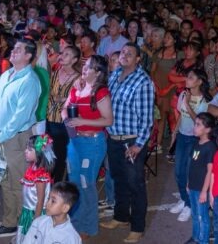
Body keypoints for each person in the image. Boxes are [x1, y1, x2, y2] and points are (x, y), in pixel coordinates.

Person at [0, 39, 41, 240]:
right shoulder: (7, 74)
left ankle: (23, 227)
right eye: (13, 48)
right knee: (4, 181)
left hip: (16, 138)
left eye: (19, 49)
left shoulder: (30, 81)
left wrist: (0, 136)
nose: (13, 51)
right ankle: (10, 223)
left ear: (28, 56)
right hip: (0, 135)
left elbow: (21, 117)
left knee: (18, 183)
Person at [101, 43, 155, 244]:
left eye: (129, 54)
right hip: (114, 139)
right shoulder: (115, 75)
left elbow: (147, 119)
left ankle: (137, 227)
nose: (124, 56)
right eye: (123, 52)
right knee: (118, 180)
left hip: (131, 142)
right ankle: (120, 217)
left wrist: (138, 145)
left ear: (138, 59)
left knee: (135, 185)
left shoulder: (143, 82)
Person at [64, 55, 113, 239]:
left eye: (89, 67)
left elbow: (108, 120)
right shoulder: (78, 87)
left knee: (87, 184)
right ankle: (75, 223)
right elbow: (65, 107)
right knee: (74, 183)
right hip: (75, 142)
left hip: (92, 143)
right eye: (84, 65)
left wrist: (81, 121)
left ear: (98, 72)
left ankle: (88, 226)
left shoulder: (100, 92)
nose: (84, 68)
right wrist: (66, 118)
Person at [169, 68, 211, 223]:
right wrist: (175, 132)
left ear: (200, 81)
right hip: (182, 137)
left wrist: (187, 103)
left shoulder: (204, 100)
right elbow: (181, 115)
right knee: (178, 172)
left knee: (188, 173)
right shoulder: (183, 94)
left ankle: (189, 205)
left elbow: (198, 121)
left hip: (194, 141)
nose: (187, 79)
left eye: (191, 77)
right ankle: (184, 199)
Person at [46, 44, 82, 182]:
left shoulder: (78, 78)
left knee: (60, 155)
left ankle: (58, 185)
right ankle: (48, 182)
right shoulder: (55, 72)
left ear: (74, 60)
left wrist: (64, 99)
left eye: (67, 54)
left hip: (63, 122)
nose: (61, 56)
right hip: (49, 118)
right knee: (49, 153)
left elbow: (79, 99)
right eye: (62, 53)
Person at [186, 113, 218, 244]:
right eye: (195, 124)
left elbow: (210, 171)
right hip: (193, 185)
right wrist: (188, 183)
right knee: (194, 214)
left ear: (208, 129)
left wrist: (205, 191)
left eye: (198, 125)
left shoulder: (210, 147)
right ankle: (195, 237)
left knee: (202, 216)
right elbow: (192, 166)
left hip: (201, 188)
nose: (195, 127)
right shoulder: (197, 143)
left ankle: (203, 240)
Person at [17, 134, 56, 242]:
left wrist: (36, 221)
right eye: (26, 148)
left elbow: (40, 200)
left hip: (35, 213)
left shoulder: (41, 175)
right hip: (28, 211)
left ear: (39, 153)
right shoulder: (33, 168)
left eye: (29, 149)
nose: (25, 151)